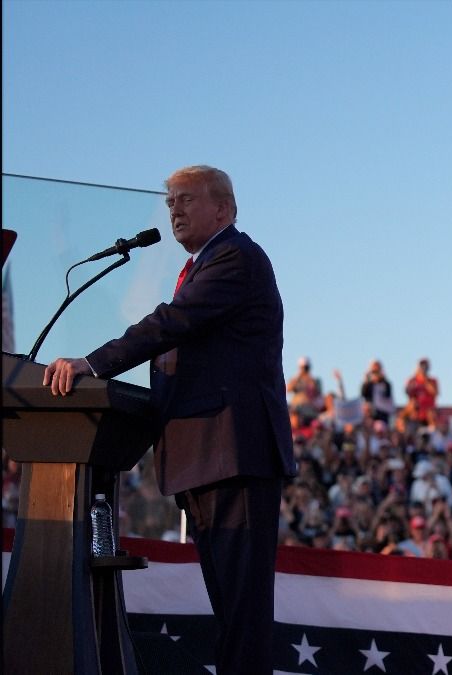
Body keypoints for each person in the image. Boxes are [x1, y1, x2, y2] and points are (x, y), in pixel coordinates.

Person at [43, 165, 295, 675]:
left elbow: (171, 323)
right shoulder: (207, 263)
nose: (173, 210)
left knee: (242, 616)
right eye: (169, 202)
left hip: (234, 456)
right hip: (206, 458)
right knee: (230, 613)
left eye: (185, 199)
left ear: (223, 209)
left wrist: (93, 364)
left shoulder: (233, 258)